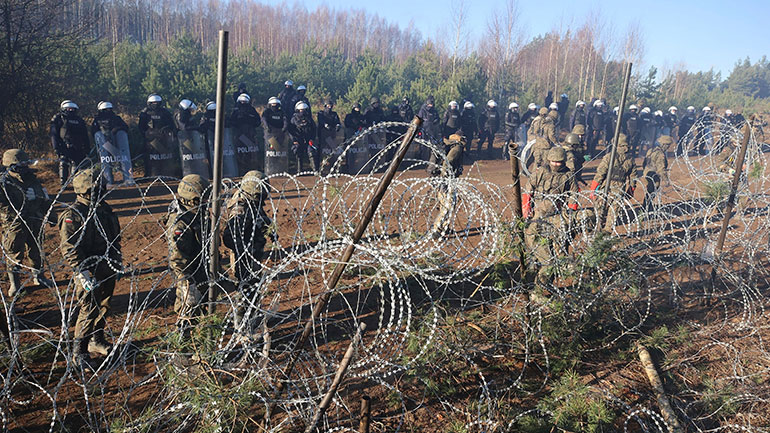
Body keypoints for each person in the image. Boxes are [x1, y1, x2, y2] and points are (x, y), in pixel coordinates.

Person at [59, 166, 122, 364]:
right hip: (87, 269)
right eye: (98, 187)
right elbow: (69, 247)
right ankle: (79, 351)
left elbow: (114, 238)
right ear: (86, 190)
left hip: (106, 266)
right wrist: (81, 271)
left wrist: (117, 261)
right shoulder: (74, 215)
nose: (102, 190)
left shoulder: (104, 210)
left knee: (104, 305)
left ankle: (96, 339)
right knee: (88, 307)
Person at [223, 171, 274, 334]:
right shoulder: (240, 206)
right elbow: (229, 236)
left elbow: (261, 218)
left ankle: (251, 319)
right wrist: (244, 251)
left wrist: (268, 229)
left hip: (253, 254)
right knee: (245, 289)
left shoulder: (253, 201)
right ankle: (242, 327)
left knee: (253, 289)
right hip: (243, 257)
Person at [1, 149, 55, 298]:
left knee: (36, 249)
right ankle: (15, 283)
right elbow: (4, 205)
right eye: (21, 164)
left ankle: (39, 276)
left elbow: (43, 196)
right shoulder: (4, 182)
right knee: (14, 252)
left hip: (33, 220)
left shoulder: (31, 178)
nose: (25, 166)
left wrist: (51, 214)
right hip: (14, 224)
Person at [523, 146, 579, 288]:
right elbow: (528, 190)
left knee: (556, 248)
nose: (556, 164)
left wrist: (570, 214)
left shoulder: (568, 176)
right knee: (534, 247)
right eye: (553, 161)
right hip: (537, 215)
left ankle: (550, 277)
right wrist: (526, 209)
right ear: (549, 160)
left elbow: (574, 195)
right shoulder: (540, 172)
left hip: (556, 217)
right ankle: (531, 275)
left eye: (559, 162)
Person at [166, 174, 209, 322]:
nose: (208, 201)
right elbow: (177, 257)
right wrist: (186, 284)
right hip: (189, 273)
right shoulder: (181, 223)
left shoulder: (198, 214)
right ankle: (184, 340)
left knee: (203, 306)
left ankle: (200, 335)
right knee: (187, 310)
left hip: (201, 268)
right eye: (204, 198)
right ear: (193, 198)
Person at [589, 134, 636, 230]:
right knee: (613, 213)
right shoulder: (631, 159)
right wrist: (630, 191)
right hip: (620, 189)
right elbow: (633, 178)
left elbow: (600, 174)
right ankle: (607, 232)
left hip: (606, 187)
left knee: (600, 211)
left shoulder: (609, 157)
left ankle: (597, 229)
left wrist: (593, 189)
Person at [91, 101, 133, 187]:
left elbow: (125, 128)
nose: (108, 111)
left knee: (118, 159)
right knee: (107, 160)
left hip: (116, 144)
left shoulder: (112, 119)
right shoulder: (112, 118)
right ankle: (110, 180)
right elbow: (95, 133)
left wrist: (116, 130)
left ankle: (124, 179)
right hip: (106, 144)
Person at [430, 132, 464, 237]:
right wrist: (445, 179)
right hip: (446, 180)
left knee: (445, 204)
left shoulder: (450, 146)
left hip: (444, 179)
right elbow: (448, 161)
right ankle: (437, 229)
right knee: (448, 205)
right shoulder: (457, 148)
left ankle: (445, 227)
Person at [51, 100, 91, 186]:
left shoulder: (79, 120)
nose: (71, 111)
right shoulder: (58, 118)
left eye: (72, 109)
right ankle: (63, 182)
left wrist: (87, 148)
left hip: (78, 146)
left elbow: (85, 135)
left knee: (76, 164)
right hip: (64, 145)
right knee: (63, 162)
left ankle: (75, 182)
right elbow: (54, 134)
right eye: (69, 109)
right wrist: (56, 147)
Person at [138, 94, 177, 177]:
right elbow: (141, 127)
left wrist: (167, 131)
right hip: (151, 141)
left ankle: (167, 174)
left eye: (157, 103)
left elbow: (171, 125)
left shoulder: (165, 112)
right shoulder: (145, 113)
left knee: (165, 157)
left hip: (164, 139)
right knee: (150, 158)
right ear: (149, 103)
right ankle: (150, 174)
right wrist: (148, 135)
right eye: (153, 103)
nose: (155, 104)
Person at [642, 135, 670, 211]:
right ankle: (646, 207)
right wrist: (666, 180)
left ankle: (647, 206)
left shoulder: (651, 150)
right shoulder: (661, 154)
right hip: (654, 175)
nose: (668, 147)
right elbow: (661, 169)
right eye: (668, 145)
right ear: (664, 144)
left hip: (646, 173)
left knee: (650, 191)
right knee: (652, 192)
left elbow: (644, 163)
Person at [289, 101, 317, 173]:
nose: (302, 112)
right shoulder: (294, 119)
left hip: (308, 140)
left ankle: (315, 170)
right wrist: (294, 140)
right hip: (298, 140)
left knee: (311, 151)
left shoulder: (309, 119)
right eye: (301, 110)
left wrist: (312, 139)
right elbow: (291, 131)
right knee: (298, 151)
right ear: (297, 110)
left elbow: (314, 129)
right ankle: (299, 170)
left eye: (304, 110)